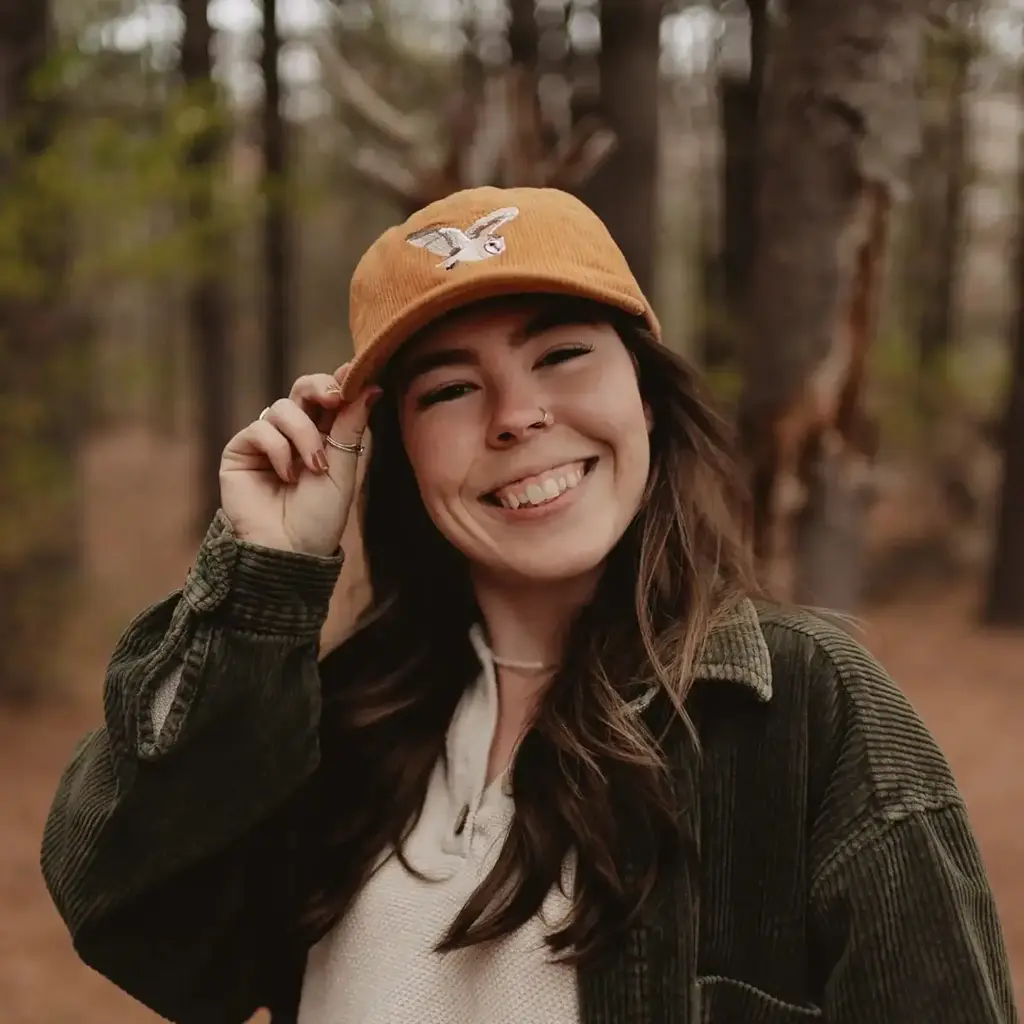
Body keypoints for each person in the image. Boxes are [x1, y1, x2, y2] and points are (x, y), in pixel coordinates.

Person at [41, 186, 1016, 1024]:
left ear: (645, 397)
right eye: (452, 389)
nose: (516, 416)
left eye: (560, 354)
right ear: (402, 457)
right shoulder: (343, 723)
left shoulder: (805, 715)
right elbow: (145, 928)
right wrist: (263, 574)